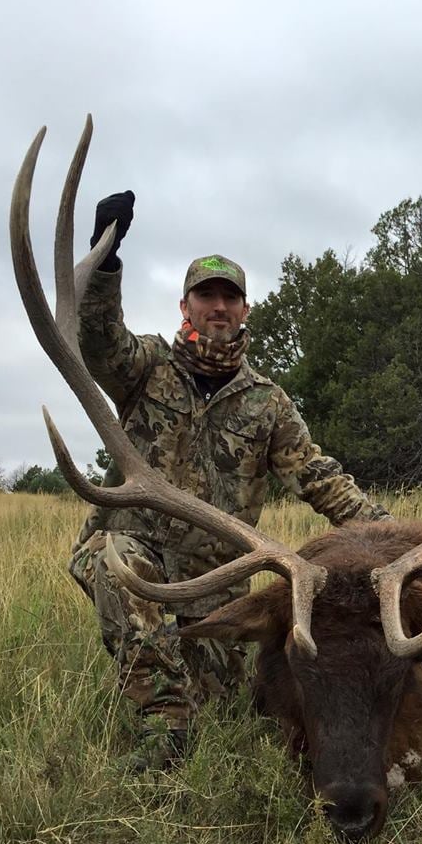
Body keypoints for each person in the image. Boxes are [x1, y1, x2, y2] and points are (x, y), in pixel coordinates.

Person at [69, 191, 391, 771]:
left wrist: (399, 538)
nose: (218, 306)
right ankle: (164, 727)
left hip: (216, 585)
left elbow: (319, 478)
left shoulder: (268, 402)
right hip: (137, 552)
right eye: (206, 295)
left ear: (245, 310)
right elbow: (96, 340)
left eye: (230, 297)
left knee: (237, 704)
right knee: (116, 562)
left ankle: (183, 688)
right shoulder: (144, 367)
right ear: (184, 305)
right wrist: (106, 261)